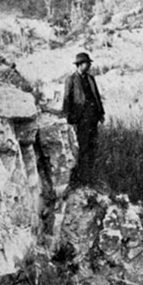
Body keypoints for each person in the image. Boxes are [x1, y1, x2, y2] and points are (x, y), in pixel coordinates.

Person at [62, 52, 105, 186]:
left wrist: (101, 113)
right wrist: (69, 119)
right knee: (83, 146)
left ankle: (90, 175)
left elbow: (96, 96)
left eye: (89, 63)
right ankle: (82, 178)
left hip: (93, 118)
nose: (89, 65)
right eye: (87, 63)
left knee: (93, 145)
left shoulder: (91, 79)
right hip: (81, 119)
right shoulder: (71, 79)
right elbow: (67, 99)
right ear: (80, 65)